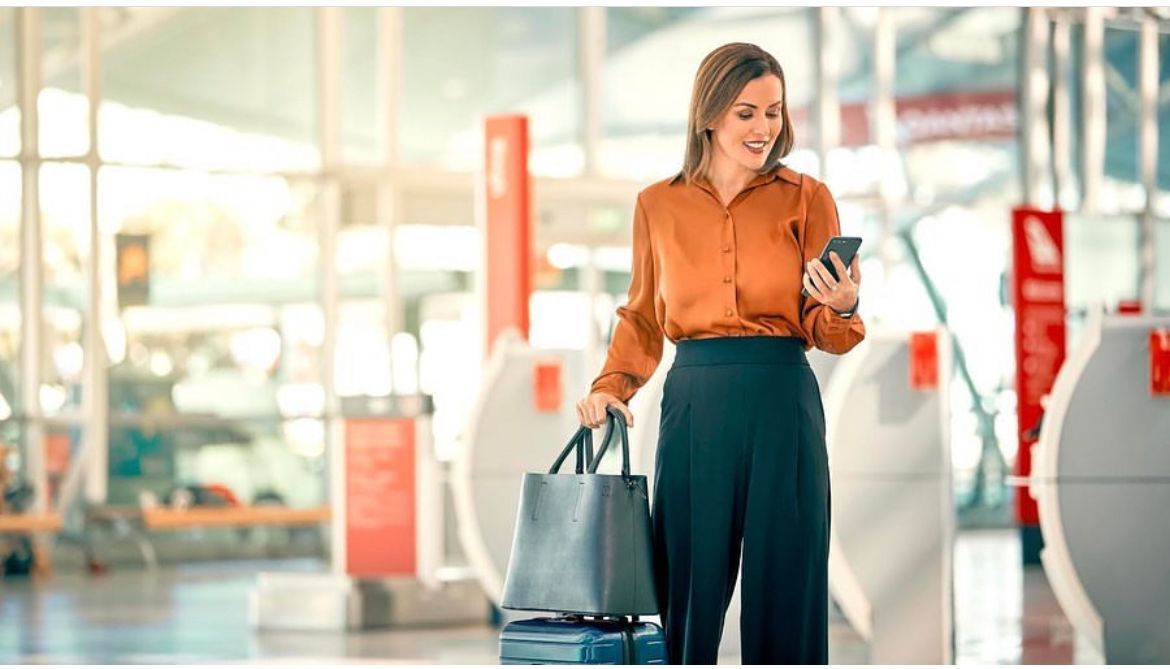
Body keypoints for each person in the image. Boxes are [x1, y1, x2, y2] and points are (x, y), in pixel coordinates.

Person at [575, 42, 865, 664]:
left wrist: (840, 305)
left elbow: (825, 328)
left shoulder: (807, 197)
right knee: (688, 584)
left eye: (774, 112)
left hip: (782, 400)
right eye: (746, 113)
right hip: (695, 405)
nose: (764, 128)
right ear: (709, 114)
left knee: (788, 580)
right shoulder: (658, 204)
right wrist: (611, 386)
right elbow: (643, 313)